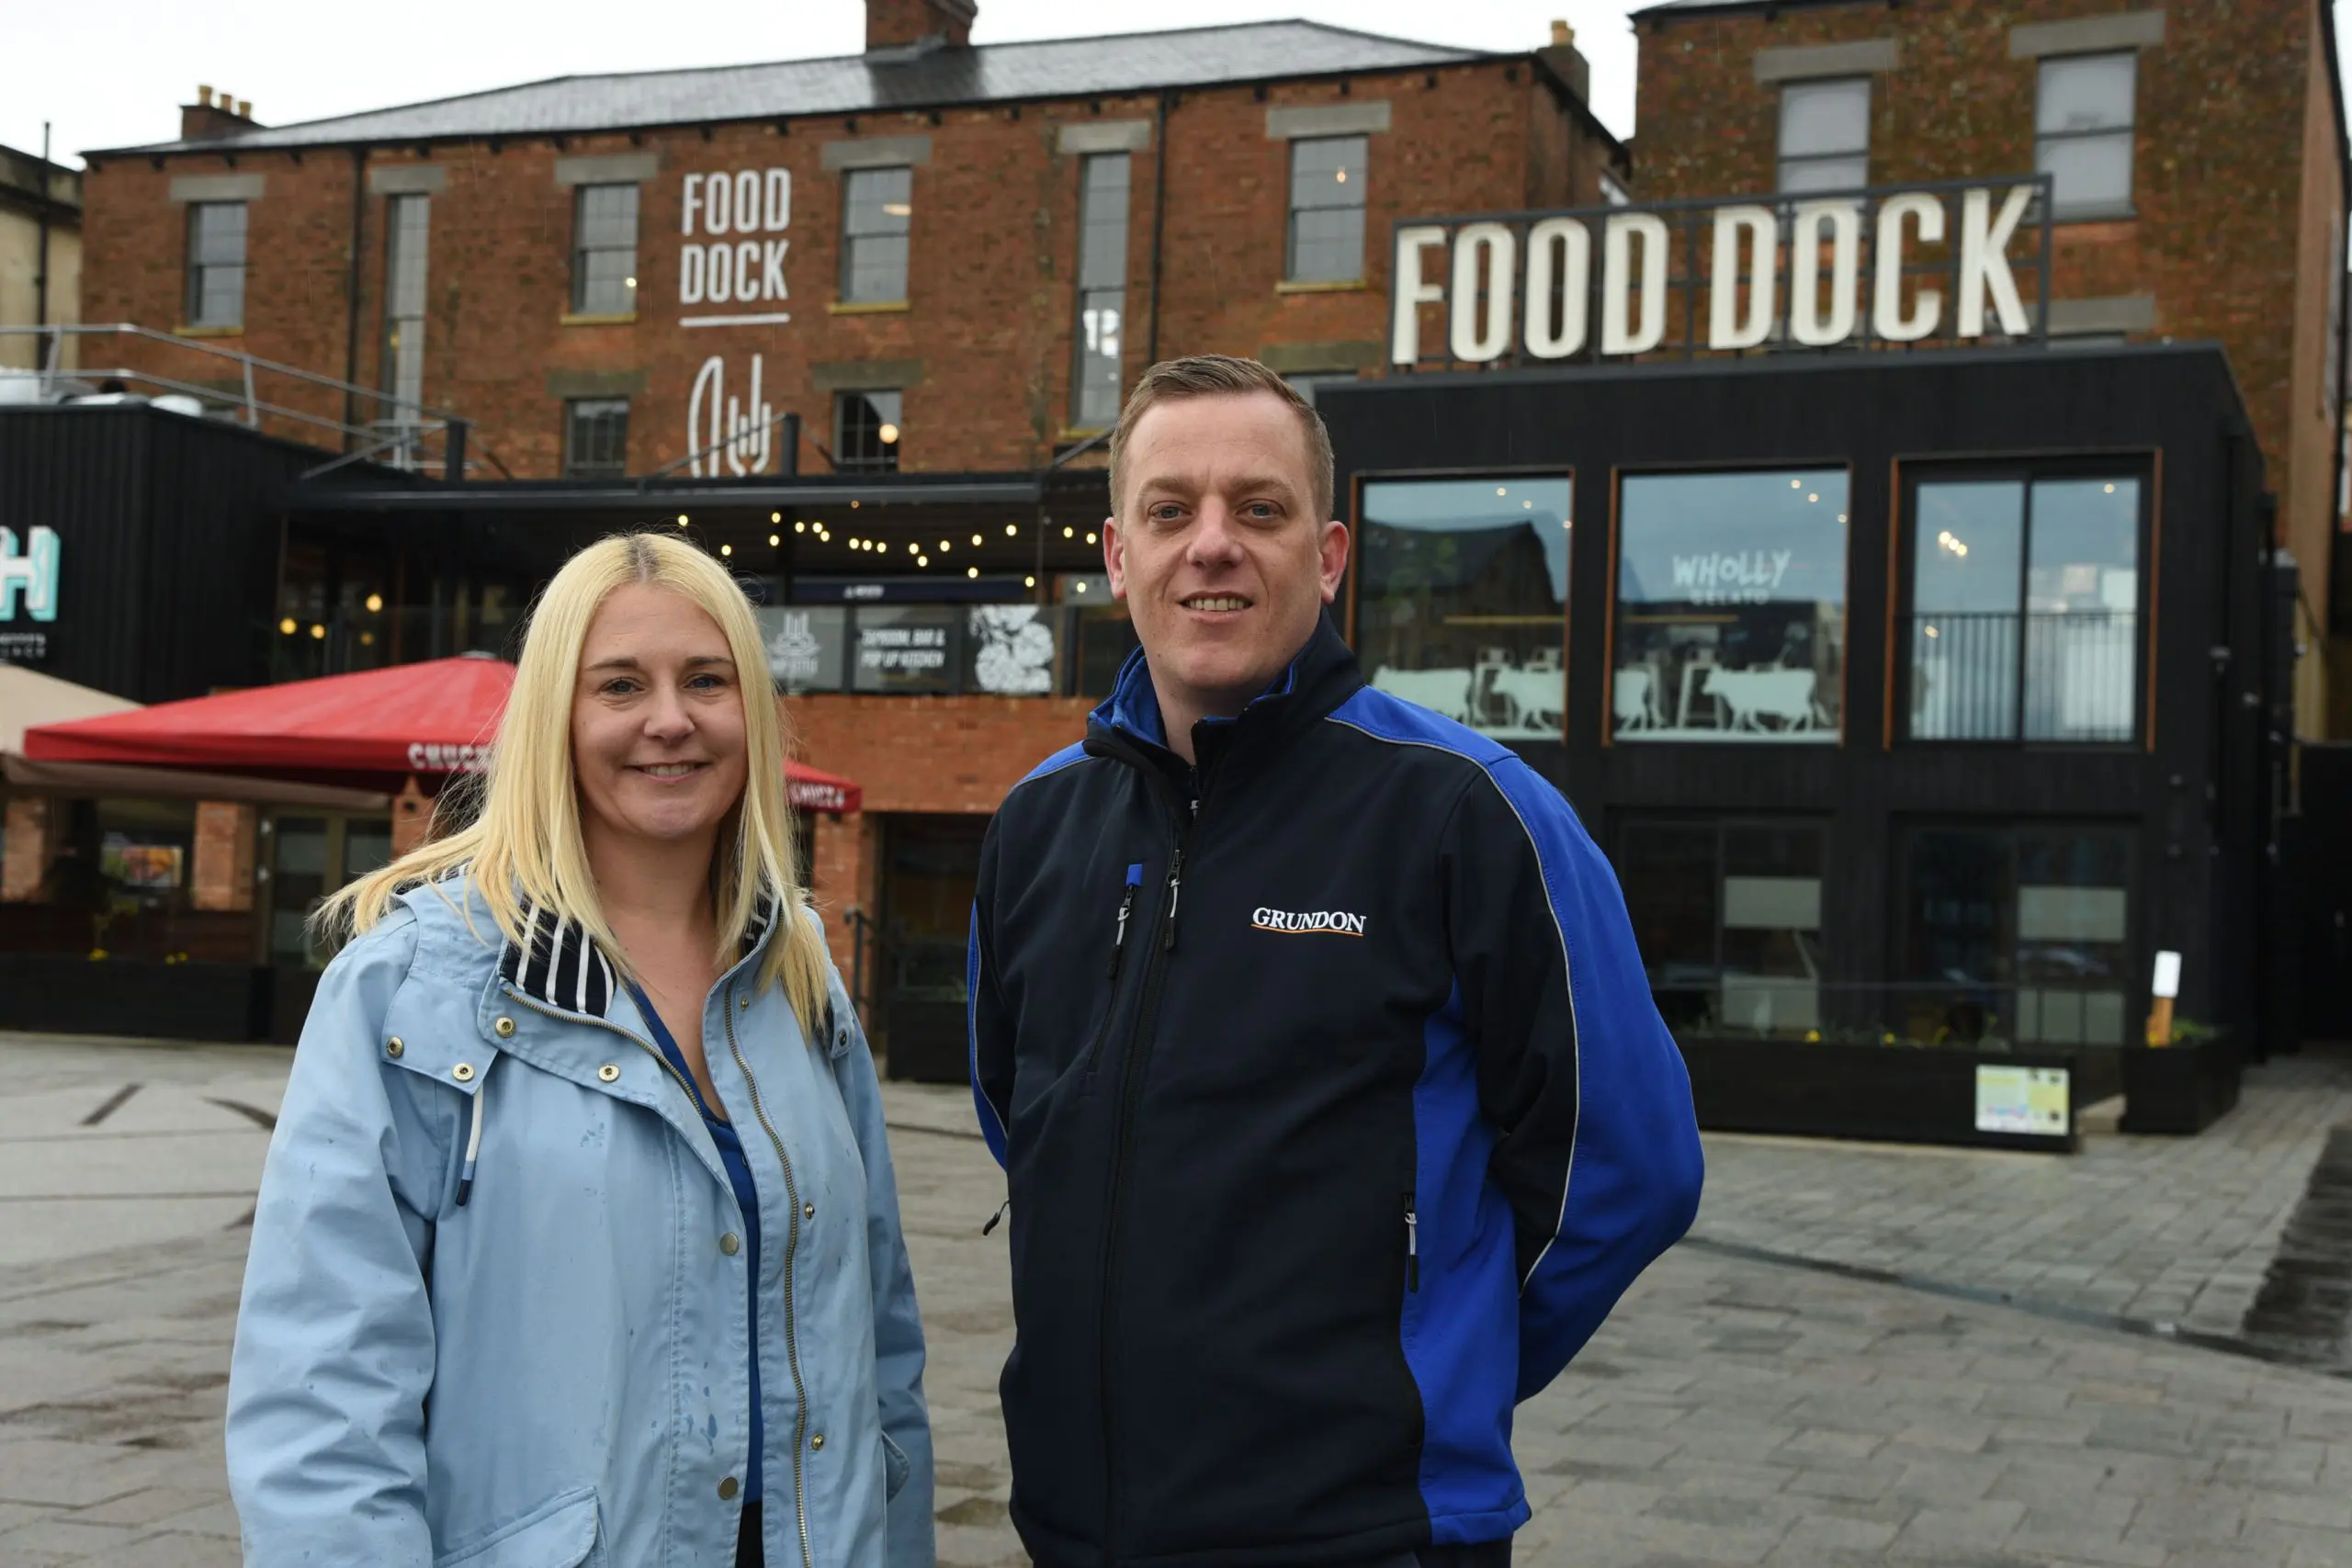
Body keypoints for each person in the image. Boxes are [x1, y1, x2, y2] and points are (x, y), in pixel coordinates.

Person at [968, 355, 1704, 1568]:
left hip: (1368, 1532)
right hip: (1079, 1526)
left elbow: (1632, 1165)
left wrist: (1434, 1368)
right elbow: (1020, 1119)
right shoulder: (1036, 824)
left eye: (1259, 508)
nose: (1213, 543)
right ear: (1115, 553)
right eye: (1170, 510)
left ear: (1328, 554)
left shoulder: (1473, 815)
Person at [226, 533, 933, 1568]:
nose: (669, 720)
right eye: (618, 685)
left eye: (706, 679)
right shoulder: (411, 988)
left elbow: (881, 1355)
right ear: (558, 715)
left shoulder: (801, 977)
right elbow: (322, 1400)